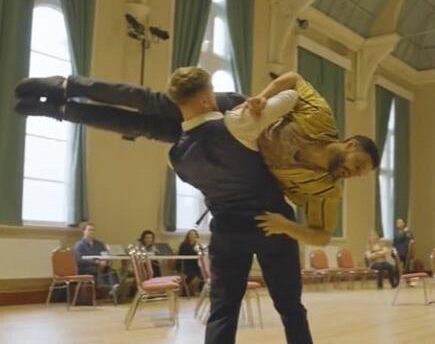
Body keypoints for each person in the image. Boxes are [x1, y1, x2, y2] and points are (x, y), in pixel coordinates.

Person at [14, 71, 380, 246]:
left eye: (360, 175)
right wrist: (261, 96)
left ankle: (61, 112)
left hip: (225, 150)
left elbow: (321, 236)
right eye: (359, 164)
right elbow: (295, 80)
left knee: (146, 127)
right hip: (234, 113)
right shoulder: (322, 118)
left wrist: (287, 226)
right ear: (351, 144)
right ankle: (67, 86)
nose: (353, 173)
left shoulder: (325, 191)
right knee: (155, 102)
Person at [165, 67, 312, 343]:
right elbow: (293, 95)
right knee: (290, 307)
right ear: (205, 99)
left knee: (222, 310)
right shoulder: (237, 122)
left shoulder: (174, 156)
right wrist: (261, 98)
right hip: (273, 225)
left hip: (227, 232)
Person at [72, 222, 120, 297]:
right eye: (89, 230)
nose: (92, 232)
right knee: (97, 271)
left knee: (112, 271)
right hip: (86, 268)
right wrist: (96, 262)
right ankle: (106, 289)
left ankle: (115, 288)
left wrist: (105, 262)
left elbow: (105, 254)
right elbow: (79, 260)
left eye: (93, 230)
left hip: (101, 266)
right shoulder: (79, 245)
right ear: (84, 231)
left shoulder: (99, 244)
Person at [177, 229, 203, 295]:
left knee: (197, 277)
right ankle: (186, 290)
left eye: (194, 235)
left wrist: (197, 246)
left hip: (195, 265)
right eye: (191, 234)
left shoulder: (198, 245)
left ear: (196, 236)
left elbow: (201, 255)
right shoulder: (183, 245)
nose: (192, 236)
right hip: (185, 264)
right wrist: (178, 268)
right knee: (188, 275)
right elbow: (179, 256)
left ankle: (191, 290)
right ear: (188, 236)